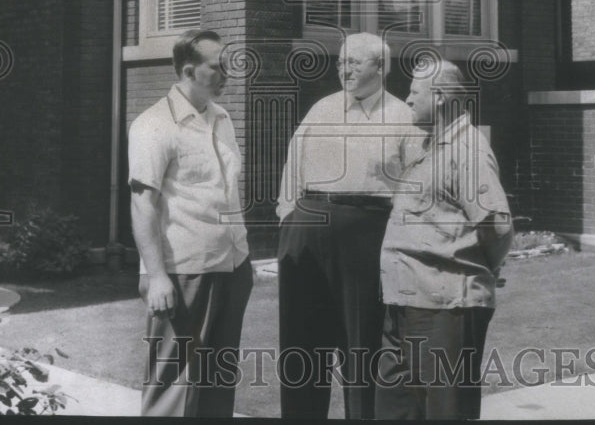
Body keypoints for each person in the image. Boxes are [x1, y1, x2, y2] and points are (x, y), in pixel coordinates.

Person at [276, 32, 416, 419]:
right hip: (306, 228)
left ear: (381, 67)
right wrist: (290, 219)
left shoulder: (403, 116)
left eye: (354, 62)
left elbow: (414, 189)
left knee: (362, 344)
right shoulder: (321, 110)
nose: (344, 69)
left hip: (365, 235)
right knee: (301, 344)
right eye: (341, 62)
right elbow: (292, 170)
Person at [375, 58, 512, 421]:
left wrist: (480, 269)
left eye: (413, 92)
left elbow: (496, 226)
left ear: (438, 97)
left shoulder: (468, 150)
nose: (406, 99)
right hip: (404, 302)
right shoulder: (427, 147)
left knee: (443, 413)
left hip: (445, 307)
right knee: (396, 410)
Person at [128, 29, 252, 418]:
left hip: (232, 265)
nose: (227, 75)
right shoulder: (153, 124)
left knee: (217, 383)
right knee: (171, 389)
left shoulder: (223, 118)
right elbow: (142, 205)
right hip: (184, 273)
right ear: (188, 70)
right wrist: (156, 274)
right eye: (217, 68)